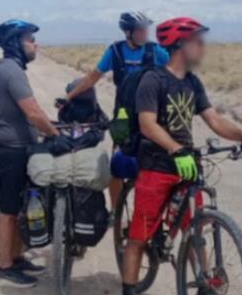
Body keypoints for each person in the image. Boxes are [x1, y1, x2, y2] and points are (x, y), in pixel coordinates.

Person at [116, 17, 242, 295]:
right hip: (155, 167)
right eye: (198, 40)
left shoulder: (193, 83)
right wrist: (176, 150)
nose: (203, 46)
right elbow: (148, 124)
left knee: (198, 230)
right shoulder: (153, 81)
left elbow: (214, 120)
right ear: (180, 44)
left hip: (185, 169)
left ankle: (205, 290)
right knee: (138, 237)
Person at [62, 12, 170, 205]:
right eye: (140, 30)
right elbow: (92, 78)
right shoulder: (115, 51)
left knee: (153, 163)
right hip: (124, 115)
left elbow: (176, 71)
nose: (145, 33)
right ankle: (116, 209)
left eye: (146, 29)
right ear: (128, 32)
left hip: (151, 113)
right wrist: (68, 97)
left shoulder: (155, 51)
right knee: (118, 163)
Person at [0, 19, 59, 288]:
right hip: (9, 151)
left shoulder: (12, 69)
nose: (34, 43)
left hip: (17, 149)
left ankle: (16, 259)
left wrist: (48, 126)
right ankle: (5, 268)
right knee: (7, 211)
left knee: (17, 209)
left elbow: (33, 112)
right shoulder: (10, 71)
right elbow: (32, 112)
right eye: (29, 39)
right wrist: (54, 135)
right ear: (15, 42)